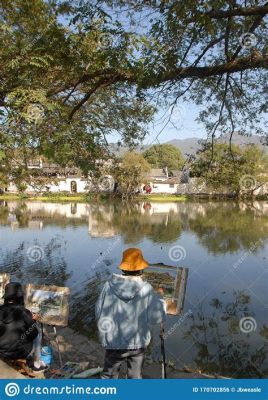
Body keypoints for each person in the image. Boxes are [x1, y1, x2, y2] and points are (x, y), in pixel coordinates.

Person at [95, 248, 166, 379]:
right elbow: (156, 318)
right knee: (135, 376)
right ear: (141, 269)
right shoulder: (147, 289)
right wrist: (160, 298)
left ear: (123, 268)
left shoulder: (108, 286)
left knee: (108, 375)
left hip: (113, 342)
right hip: (137, 344)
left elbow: (98, 311)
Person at [0, 282, 47, 373]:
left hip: (1, 349)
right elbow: (33, 334)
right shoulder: (24, 312)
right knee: (37, 332)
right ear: (20, 297)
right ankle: (36, 364)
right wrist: (33, 321)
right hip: (17, 352)